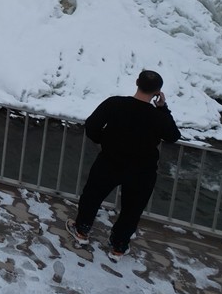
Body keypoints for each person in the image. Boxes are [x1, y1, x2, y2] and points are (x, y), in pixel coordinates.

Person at [68, 69, 181, 260]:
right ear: (157, 93)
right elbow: (173, 136)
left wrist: (104, 140)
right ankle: (118, 247)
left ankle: (81, 231)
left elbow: (92, 125)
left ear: (137, 82)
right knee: (132, 209)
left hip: (110, 161)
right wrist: (163, 108)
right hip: (142, 170)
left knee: (92, 197)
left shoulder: (115, 104)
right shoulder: (158, 116)